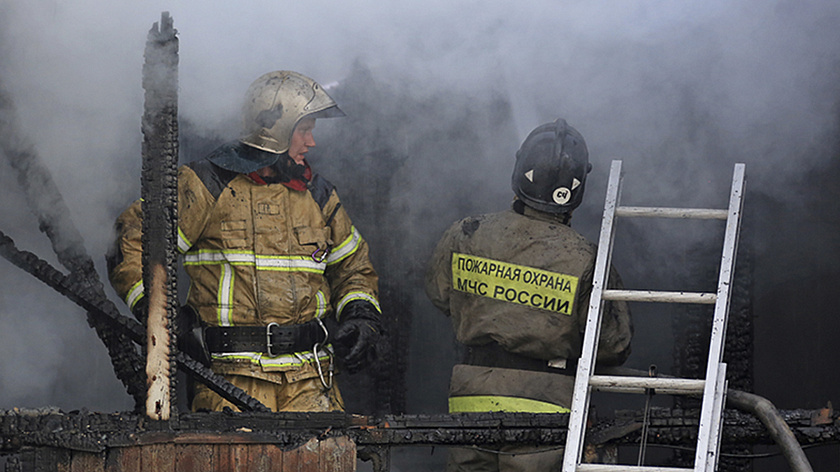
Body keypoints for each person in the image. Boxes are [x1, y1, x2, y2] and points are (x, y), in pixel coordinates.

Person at [108, 70, 382, 412]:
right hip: (230, 381)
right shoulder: (205, 185)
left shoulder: (318, 195)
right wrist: (159, 317)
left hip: (312, 380)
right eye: (305, 130)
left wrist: (361, 315)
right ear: (276, 132)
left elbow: (353, 266)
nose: (311, 143)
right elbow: (130, 244)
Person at [425, 118, 633, 471]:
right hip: (547, 414)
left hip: (471, 403)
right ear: (578, 188)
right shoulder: (588, 258)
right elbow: (613, 346)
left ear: (519, 170)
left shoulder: (466, 233)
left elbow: (439, 294)